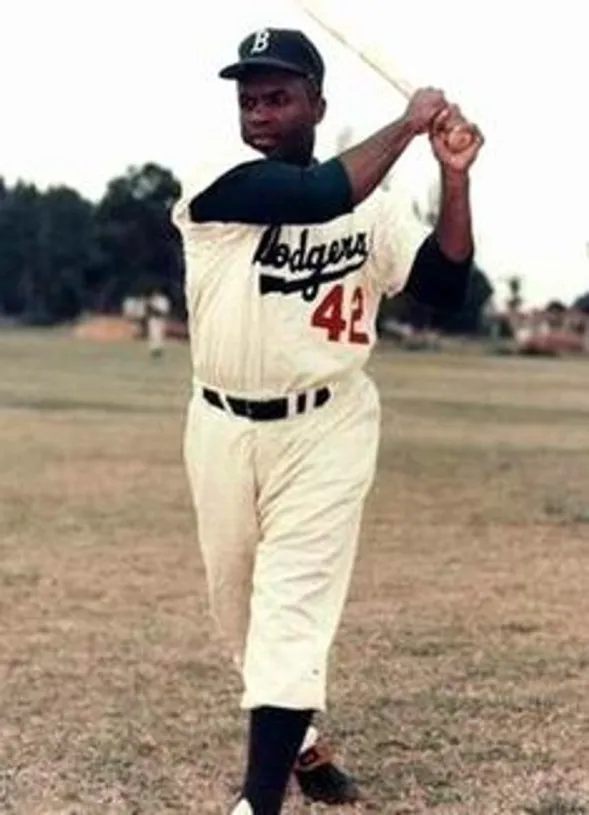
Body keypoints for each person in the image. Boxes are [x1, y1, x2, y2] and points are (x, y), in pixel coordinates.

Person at [172, 26, 484, 815]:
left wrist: (452, 177)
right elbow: (314, 197)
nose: (260, 112)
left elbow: (448, 289)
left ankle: (257, 802)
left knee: (290, 607)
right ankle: (300, 736)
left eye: (278, 96)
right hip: (221, 425)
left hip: (327, 425)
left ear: (317, 103)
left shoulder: (372, 211)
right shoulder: (219, 179)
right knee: (237, 608)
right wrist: (412, 123)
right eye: (249, 98)